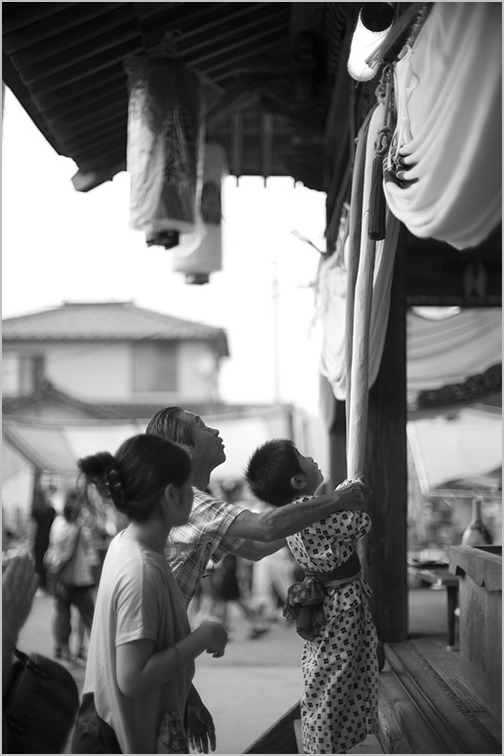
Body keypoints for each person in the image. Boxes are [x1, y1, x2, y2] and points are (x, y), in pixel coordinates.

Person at [145, 406, 371, 752]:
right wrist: (337, 500)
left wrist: (311, 515)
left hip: (160, 654)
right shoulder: (186, 503)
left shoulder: (189, 503)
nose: (215, 432)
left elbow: (255, 547)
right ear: (182, 449)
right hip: (147, 658)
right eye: (201, 425)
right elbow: (266, 528)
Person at [72, 434, 228, 754]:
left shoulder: (128, 545)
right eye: (191, 487)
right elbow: (133, 677)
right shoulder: (140, 571)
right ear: (172, 494)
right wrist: (203, 637)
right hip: (124, 739)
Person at [245, 439, 378, 755]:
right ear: (298, 481)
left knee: (325, 672)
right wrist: (353, 494)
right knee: (338, 676)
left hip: (327, 601)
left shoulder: (295, 514)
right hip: (342, 601)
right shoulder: (316, 512)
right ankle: (324, 746)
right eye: (303, 457)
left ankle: (323, 741)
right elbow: (361, 522)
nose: (313, 458)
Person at [45, 490, 97, 663]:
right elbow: (83, 548)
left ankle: (62, 648)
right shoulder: (76, 528)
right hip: (78, 578)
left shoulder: (57, 523)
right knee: (90, 617)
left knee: (62, 613)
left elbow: (56, 548)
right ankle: (98, 651)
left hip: (61, 577)